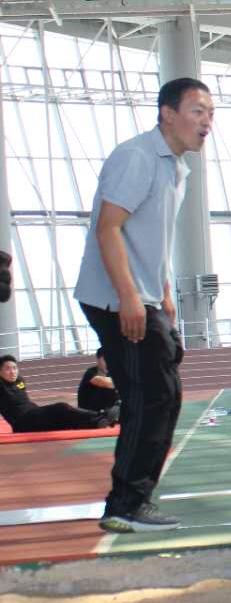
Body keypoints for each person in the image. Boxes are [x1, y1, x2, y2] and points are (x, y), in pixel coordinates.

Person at [74, 76, 210, 531]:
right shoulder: (137, 157)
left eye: (210, 113)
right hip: (116, 298)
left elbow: (153, 239)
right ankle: (126, 504)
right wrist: (130, 298)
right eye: (197, 111)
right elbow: (108, 228)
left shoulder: (176, 168)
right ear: (167, 114)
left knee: (162, 394)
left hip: (142, 296)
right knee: (152, 396)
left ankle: (132, 499)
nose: (207, 122)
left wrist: (163, 293)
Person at [1, 355, 115, 433]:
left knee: (63, 420)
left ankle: (99, 422)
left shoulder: (19, 380)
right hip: (22, 422)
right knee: (61, 407)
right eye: (8, 369)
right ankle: (99, 415)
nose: (12, 372)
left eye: (14, 368)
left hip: (33, 415)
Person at [77, 348, 121, 417]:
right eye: (105, 360)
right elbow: (106, 383)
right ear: (98, 359)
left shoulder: (112, 374)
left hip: (104, 415)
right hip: (88, 415)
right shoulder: (90, 373)